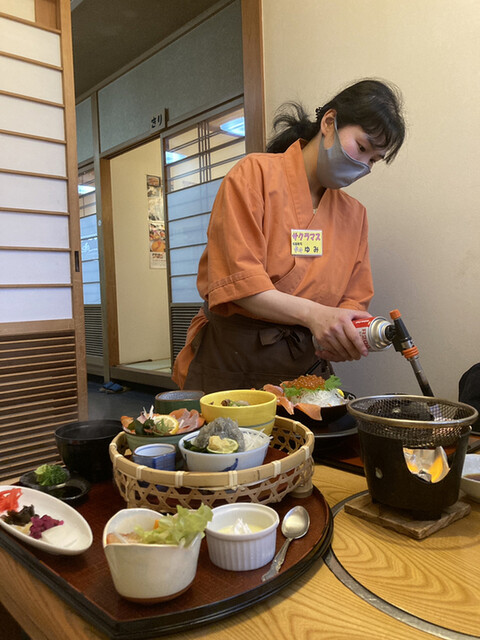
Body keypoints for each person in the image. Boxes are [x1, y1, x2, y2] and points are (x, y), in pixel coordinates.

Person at [173, 78, 406, 393]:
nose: (362, 165)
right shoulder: (253, 175)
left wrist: (343, 334)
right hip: (233, 360)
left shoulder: (355, 214)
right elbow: (239, 283)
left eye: (373, 161)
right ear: (329, 122)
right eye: (362, 148)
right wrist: (316, 315)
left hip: (306, 367)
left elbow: (353, 301)